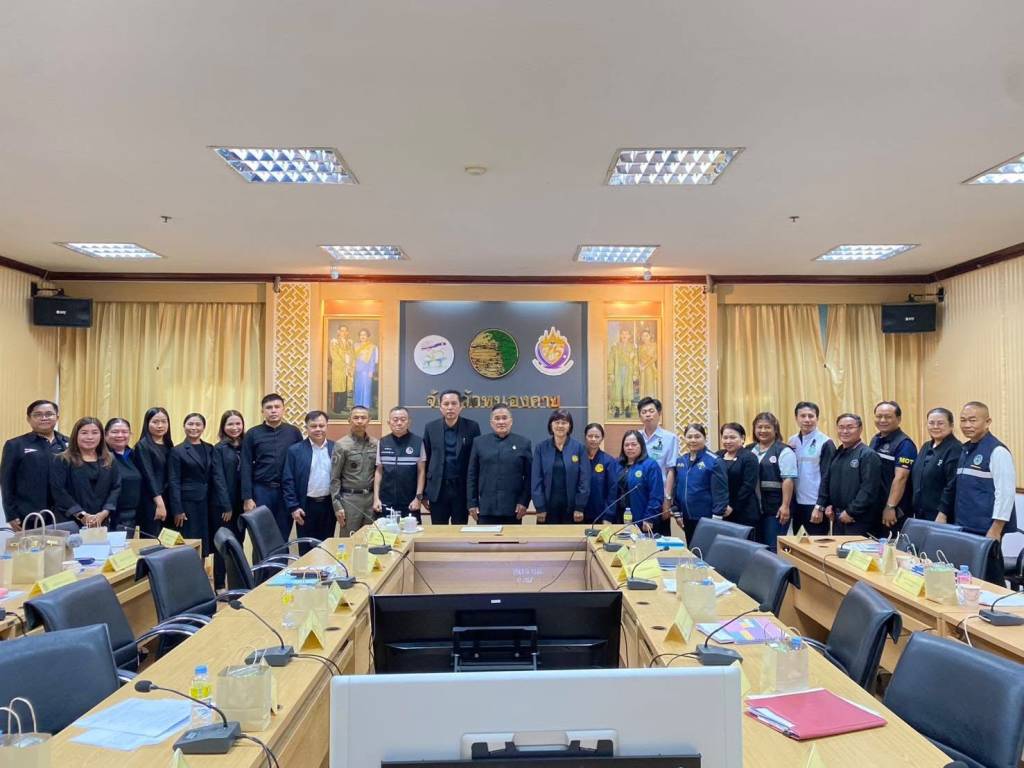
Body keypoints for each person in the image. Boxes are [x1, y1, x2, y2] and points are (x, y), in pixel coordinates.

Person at [241, 393, 303, 539]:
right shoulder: (252, 434)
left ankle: (281, 556)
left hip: (286, 492)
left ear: (283, 409)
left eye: (277, 407)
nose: (273, 410)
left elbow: (300, 463)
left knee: (282, 535)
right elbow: (246, 466)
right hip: (261, 491)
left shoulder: (293, 432)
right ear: (262, 411)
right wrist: (247, 498)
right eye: (269, 407)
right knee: (261, 536)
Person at [0, 399, 68, 530]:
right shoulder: (15, 445)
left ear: (57, 417)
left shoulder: (68, 443)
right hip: (29, 514)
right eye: (38, 414)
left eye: (49, 414)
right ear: (29, 419)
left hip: (64, 514)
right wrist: (11, 514)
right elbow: (6, 481)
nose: (44, 418)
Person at [954, 401, 1018, 540]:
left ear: (988, 422)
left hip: (986, 528)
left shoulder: (997, 451)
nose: (967, 425)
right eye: (963, 420)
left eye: (972, 420)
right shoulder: (965, 449)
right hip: (964, 524)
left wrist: (996, 528)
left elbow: (1006, 493)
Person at [467, 404, 532, 525]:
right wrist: (472, 503)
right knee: (485, 538)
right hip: (485, 508)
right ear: (491, 422)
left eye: (504, 418)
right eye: (497, 418)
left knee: (511, 538)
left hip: (514, 509)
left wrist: (524, 502)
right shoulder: (479, 443)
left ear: (511, 421)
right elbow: (472, 475)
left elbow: (529, 477)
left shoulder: (524, 443)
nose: (501, 422)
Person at [423, 389, 481, 525]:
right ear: (440, 407)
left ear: (461, 407)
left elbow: (476, 461)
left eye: (454, 403)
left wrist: (474, 495)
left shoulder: (472, 427)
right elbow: (426, 460)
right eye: (446, 404)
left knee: (459, 529)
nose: (450, 407)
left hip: (461, 489)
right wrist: (424, 493)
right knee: (438, 530)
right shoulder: (431, 428)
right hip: (438, 489)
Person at [49, 417, 121, 526]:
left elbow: (116, 488)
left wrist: (104, 513)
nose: (90, 437)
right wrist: (81, 515)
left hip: (101, 521)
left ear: (101, 436)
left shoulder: (110, 459)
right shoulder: (62, 459)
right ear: (76, 436)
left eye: (95, 432)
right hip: (69, 522)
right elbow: (59, 491)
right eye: (84, 433)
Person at [819, 414, 882, 536]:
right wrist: (828, 504)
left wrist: (851, 512)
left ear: (860, 429)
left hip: (858, 518)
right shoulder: (839, 452)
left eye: (850, 427)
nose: (845, 431)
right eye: (841, 427)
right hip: (838, 516)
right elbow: (829, 480)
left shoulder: (868, 455)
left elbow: (869, 489)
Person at [284, 411, 336, 553]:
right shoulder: (295, 451)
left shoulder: (335, 448)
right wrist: (293, 507)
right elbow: (288, 481)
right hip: (305, 506)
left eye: (321, 425)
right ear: (306, 427)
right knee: (306, 549)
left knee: (326, 548)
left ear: (327, 426)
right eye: (313, 426)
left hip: (328, 506)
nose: (318, 429)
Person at [531, 409, 590, 524]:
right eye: (557, 422)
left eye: (564, 422)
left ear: (570, 426)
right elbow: (536, 479)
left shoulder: (579, 448)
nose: (560, 426)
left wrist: (580, 506)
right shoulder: (541, 448)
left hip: (573, 510)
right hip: (547, 509)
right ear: (551, 425)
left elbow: (584, 480)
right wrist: (539, 506)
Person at [673, 423, 728, 545]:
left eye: (697, 436)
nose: (693, 440)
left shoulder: (714, 461)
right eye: (689, 437)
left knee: (706, 552)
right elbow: (677, 488)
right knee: (692, 550)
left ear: (704, 438)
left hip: (707, 519)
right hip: (687, 518)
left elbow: (720, 493)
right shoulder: (681, 461)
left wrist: (716, 518)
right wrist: (677, 513)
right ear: (684, 439)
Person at [750, 412, 798, 551]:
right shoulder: (750, 449)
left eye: (767, 427)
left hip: (776, 509)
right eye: (759, 427)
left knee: (773, 548)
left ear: (775, 429)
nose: (763, 430)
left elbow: (788, 479)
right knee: (757, 548)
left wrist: (785, 506)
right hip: (755, 509)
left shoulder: (784, 451)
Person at [788, 401, 837, 536]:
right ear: (796, 418)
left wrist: (820, 505)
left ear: (817, 418)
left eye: (811, 416)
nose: (807, 420)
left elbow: (828, 476)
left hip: (815, 504)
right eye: (803, 416)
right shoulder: (792, 441)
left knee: (816, 544)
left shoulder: (825, 442)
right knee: (798, 543)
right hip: (797, 504)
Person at [168, 413, 214, 553]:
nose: (194, 427)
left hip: (207, 501)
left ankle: (202, 565)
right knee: (189, 541)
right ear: (184, 426)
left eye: (198, 424)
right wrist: (177, 509)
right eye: (190, 424)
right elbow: (174, 480)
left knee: (204, 542)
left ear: (204, 427)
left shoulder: (209, 448)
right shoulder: (177, 451)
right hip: (187, 503)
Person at [870, 401, 917, 534]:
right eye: (879, 416)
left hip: (893, 511)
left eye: (888, 417)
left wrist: (890, 507)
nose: (882, 420)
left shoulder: (904, 444)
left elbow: (901, 478)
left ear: (898, 419)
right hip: (876, 506)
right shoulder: (876, 439)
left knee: (890, 544)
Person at [210, 410, 245, 590]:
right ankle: (219, 584)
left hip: (242, 503)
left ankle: (237, 583)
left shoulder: (246, 445)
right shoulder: (219, 448)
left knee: (238, 543)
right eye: (230, 424)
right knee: (223, 544)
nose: (234, 427)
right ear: (223, 427)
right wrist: (226, 505)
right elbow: (218, 478)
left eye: (238, 423)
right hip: (224, 505)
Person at [330, 405, 377, 536]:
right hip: (350, 500)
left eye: (363, 418)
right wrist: (337, 505)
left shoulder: (375, 444)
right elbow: (334, 478)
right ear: (349, 420)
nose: (359, 421)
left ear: (369, 420)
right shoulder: (341, 445)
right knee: (348, 539)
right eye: (356, 418)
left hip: (370, 499)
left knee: (370, 538)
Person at [374, 406, 426, 521]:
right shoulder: (382, 442)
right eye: (395, 419)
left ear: (409, 422)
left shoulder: (418, 442)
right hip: (386, 500)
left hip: (410, 501)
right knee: (386, 531)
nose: (399, 423)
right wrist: (376, 499)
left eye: (403, 419)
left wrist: (418, 498)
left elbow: (421, 472)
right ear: (389, 422)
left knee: (412, 530)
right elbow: (379, 471)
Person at [910, 407, 961, 524]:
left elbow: (952, 484)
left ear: (951, 426)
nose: (935, 426)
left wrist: (943, 512)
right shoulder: (926, 446)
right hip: (920, 512)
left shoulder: (955, 449)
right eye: (931, 423)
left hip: (941, 515)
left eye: (940, 423)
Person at [637, 396, 678, 536]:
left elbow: (670, 470)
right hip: (638, 495)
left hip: (659, 496)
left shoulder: (670, 438)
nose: (648, 415)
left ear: (659, 413)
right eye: (644, 412)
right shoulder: (636, 437)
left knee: (660, 536)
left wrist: (667, 499)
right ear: (640, 416)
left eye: (651, 411)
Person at [133, 407, 173, 536]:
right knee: (153, 539)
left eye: (164, 421)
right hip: (152, 500)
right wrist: (159, 503)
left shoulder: (168, 444)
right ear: (147, 423)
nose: (160, 425)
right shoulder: (143, 445)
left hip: (167, 498)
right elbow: (148, 476)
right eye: (155, 422)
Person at [616, 429, 663, 531]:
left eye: (634, 444)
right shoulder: (618, 465)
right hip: (619, 519)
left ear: (641, 445)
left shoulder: (650, 465)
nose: (630, 448)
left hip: (641, 520)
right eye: (626, 445)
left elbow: (656, 495)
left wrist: (649, 517)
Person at [716, 423, 761, 530]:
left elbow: (748, 485)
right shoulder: (718, 455)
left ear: (742, 438)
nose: (728, 441)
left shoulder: (749, 457)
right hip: (721, 509)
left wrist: (732, 505)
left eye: (732, 437)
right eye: (725, 437)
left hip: (744, 511)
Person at [104, 418, 141, 531]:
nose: (120, 435)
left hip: (133, 515)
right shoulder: (101, 457)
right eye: (115, 432)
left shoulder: (135, 455)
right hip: (109, 516)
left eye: (125, 432)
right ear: (105, 434)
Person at [582, 423, 620, 524]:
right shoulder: (579, 459)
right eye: (590, 436)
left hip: (601, 515)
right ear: (585, 437)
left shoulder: (608, 461)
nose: (593, 439)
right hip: (579, 513)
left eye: (597, 436)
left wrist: (608, 515)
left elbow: (612, 491)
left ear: (602, 438)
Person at [608, 326, 637, 419]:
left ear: (629, 336)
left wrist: (635, 373)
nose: (624, 336)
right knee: (617, 389)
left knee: (627, 389)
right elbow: (611, 360)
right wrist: (611, 373)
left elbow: (635, 361)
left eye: (626, 334)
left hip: (628, 371)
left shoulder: (632, 347)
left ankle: (627, 408)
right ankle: (617, 409)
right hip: (618, 370)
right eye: (623, 334)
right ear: (620, 335)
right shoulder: (615, 346)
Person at [329, 325, 355, 414]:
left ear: (347, 332)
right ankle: (336, 408)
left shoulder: (349, 342)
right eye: (342, 330)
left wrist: (351, 365)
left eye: (345, 331)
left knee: (345, 387)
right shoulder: (334, 342)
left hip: (348, 368)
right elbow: (334, 355)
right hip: (339, 368)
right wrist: (344, 364)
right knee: (338, 388)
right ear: (338, 332)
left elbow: (352, 354)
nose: (343, 333)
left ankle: (343, 406)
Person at [353, 328, 379, 410]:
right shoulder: (355, 345)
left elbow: (372, 360)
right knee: (358, 387)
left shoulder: (372, 347)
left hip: (367, 370)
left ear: (368, 336)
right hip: (357, 370)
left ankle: (366, 405)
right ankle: (357, 405)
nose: (363, 336)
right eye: (361, 335)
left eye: (364, 335)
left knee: (366, 388)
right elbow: (353, 358)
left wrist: (371, 371)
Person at [637, 327, 659, 400]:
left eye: (646, 335)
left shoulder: (654, 345)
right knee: (643, 386)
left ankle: (651, 402)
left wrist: (645, 366)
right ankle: (643, 402)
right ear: (641, 337)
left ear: (650, 336)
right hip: (642, 369)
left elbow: (655, 357)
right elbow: (638, 358)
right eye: (643, 336)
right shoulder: (640, 347)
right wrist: (639, 365)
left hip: (650, 368)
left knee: (650, 386)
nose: (645, 338)